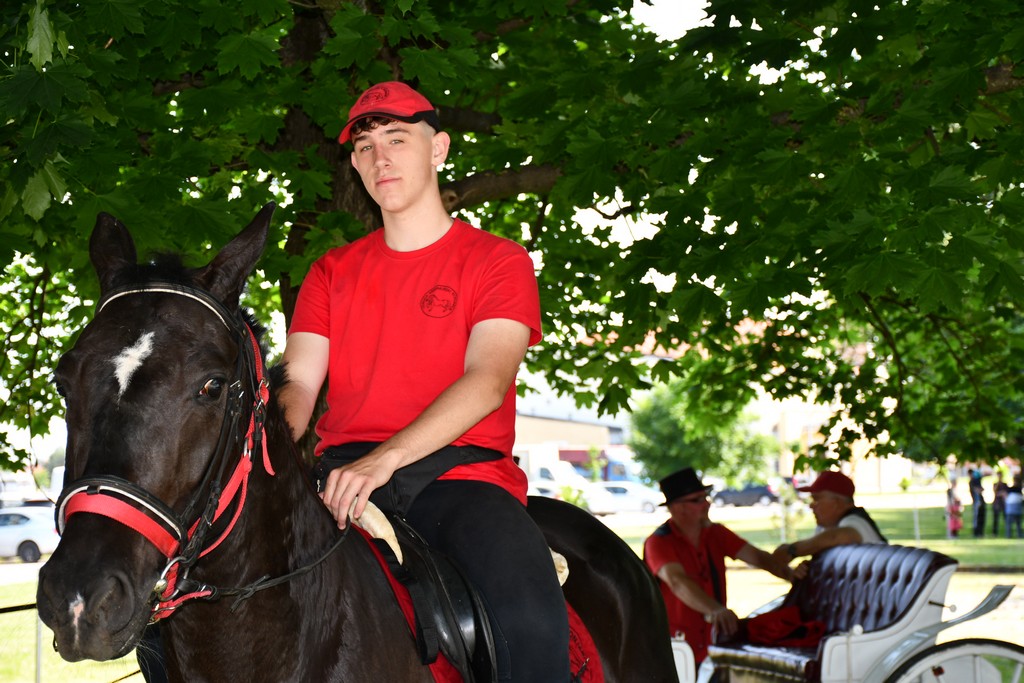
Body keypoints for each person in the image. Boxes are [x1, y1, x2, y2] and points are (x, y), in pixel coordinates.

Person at [279, 81, 569, 682]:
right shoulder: (330, 271)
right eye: (363, 147)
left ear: (438, 148)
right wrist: (264, 451)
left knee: (530, 618)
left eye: (396, 139)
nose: (379, 158)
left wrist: (384, 460)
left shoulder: (497, 260)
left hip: (458, 478)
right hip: (341, 480)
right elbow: (299, 388)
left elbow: (488, 381)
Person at [643, 468, 795, 665]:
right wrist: (715, 610)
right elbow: (677, 582)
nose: (706, 504)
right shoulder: (659, 542)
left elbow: (757, 557)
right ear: (677, 508)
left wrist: (793, 576)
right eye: (697, 500)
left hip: (713, 642)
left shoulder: (716, 534)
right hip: (675, 648)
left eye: (706, 497)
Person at [772, 471, 886, 573]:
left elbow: (839, 537)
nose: (811, 505)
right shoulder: (825, 528)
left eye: (817, 499)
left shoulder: (856, 521)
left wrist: (793, 550)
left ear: (838, 503)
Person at [969, 468, 987, 538]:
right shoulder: (972, 482)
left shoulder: (977, 481)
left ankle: (981, 532)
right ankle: (976, 533)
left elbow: (981, 489)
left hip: (981, 501)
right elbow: (977, 490)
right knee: (976, 518)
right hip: (976, 502)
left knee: (981, 517)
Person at [1005, 474, 1023, 539]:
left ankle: (1019, 535)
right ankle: (1008, 535)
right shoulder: (1010, 489)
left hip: (1017, 507)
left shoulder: (1019, 489)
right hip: (1010, 507)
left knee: (1018, 523)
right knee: (1009, 523)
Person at [992, 472, 1008, 537]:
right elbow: (995, 492)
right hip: (997, 503)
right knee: (996, 518)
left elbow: (1006, 493)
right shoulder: (995, 484)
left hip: (1003, 503)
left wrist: (1001, 493)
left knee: (1005, 518)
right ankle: (994, 533)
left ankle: (1007, 532)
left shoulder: (1005, 484)